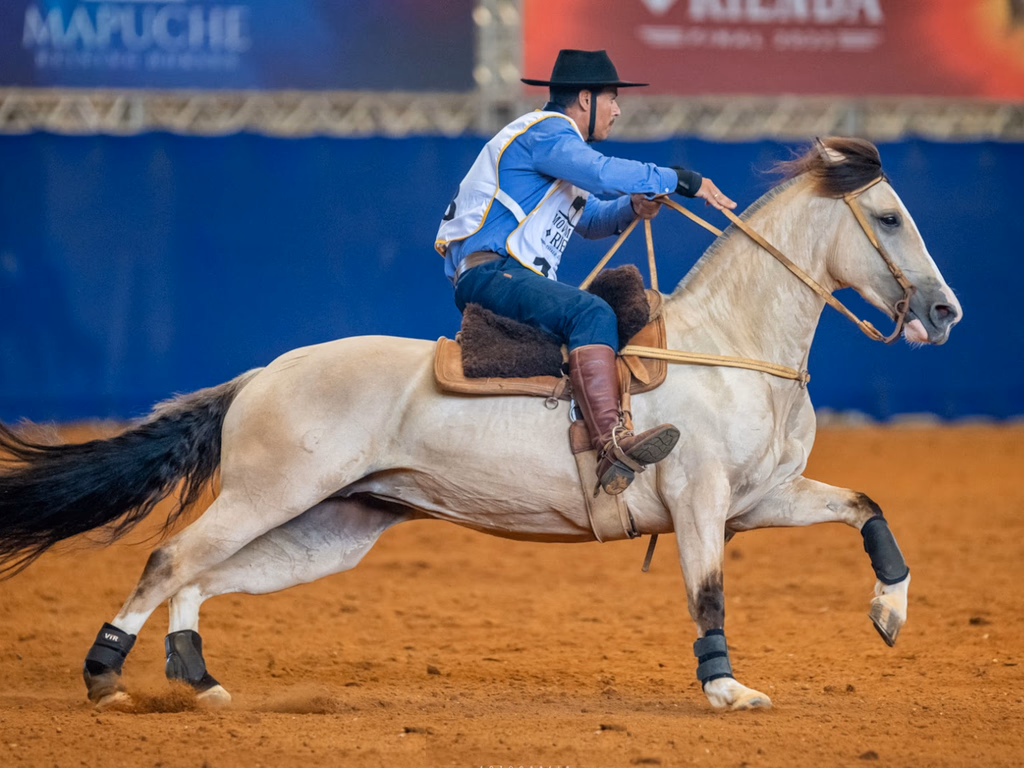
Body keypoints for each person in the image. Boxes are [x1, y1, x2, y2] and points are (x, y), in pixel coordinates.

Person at [435, 49, 736, 495]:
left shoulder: (556, 152)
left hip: (502, 274)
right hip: (494, 271)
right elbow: (601, 173)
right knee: (592, 314)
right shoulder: (550, 134)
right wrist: (678, 179)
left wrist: (632, 206)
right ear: (584, 99)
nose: (617, 109)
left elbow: (592, 218)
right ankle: (612, 445)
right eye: (611, 98)